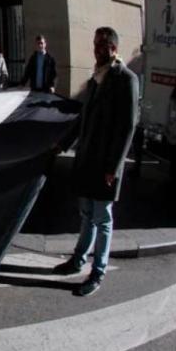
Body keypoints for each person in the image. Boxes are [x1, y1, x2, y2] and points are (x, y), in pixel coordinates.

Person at [53, 27, 139, 297]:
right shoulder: (95, 79)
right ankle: (78, 260)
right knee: (86, 215)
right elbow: (82, 118)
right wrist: (62, 144)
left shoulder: (126, 79)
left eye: (102, 45)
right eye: (95, 44)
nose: (96, 49)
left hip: (105, 166)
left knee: (102, 219)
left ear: (113, 48)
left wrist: (114, 167)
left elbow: (128, 126)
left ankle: (97, 272)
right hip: (86, 161)